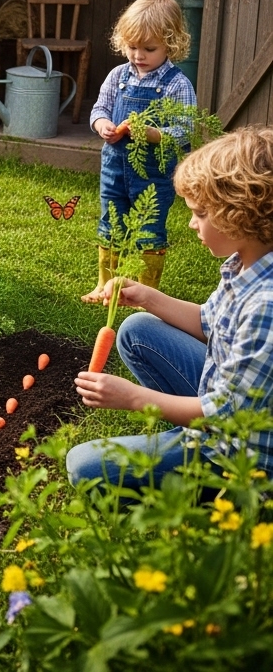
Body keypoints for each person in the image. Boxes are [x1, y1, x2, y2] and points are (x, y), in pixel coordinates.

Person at [68, 126, 273, 489]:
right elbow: (209, 322)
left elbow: (226, 416)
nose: (192, 223)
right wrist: (146, 296)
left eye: (200, 214)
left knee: (82, 467)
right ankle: (177, 434)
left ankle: (198, 475)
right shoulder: (247, 264)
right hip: (225, 402)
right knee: (137, 330)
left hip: (238, 456)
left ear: (239, 214)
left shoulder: (265, 305)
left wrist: (132, 398)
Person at [83, 0, 196, 302]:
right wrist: (102, 125)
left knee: (149, 230)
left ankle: (147, 294)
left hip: (154, 174)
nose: (138, 56)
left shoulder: (177, 85)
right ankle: (104, 285)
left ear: (170, 45)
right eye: (132, 47)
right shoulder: (117, 76)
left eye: (149, 49)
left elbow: (184, 132)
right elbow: (99, 109)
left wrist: (150, 133)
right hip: (115, 168)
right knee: (111, 224)